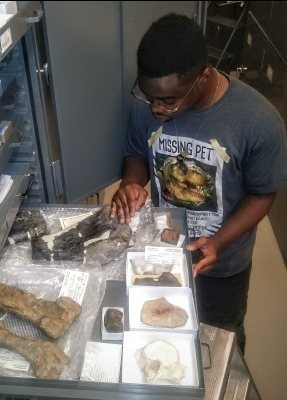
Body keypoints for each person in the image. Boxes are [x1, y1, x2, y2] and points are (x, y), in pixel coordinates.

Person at [110, 13, 287, 354]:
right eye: (150, 97)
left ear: (202, 77)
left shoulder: (258, 121)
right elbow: (136, 152)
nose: (156, 108)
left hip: (222, 264)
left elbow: (263, 194)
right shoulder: (146, 104)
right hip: (163, 250)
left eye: (169, 100)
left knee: (218, 342)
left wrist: (218, 242)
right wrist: (132, 183)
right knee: (161, 334)